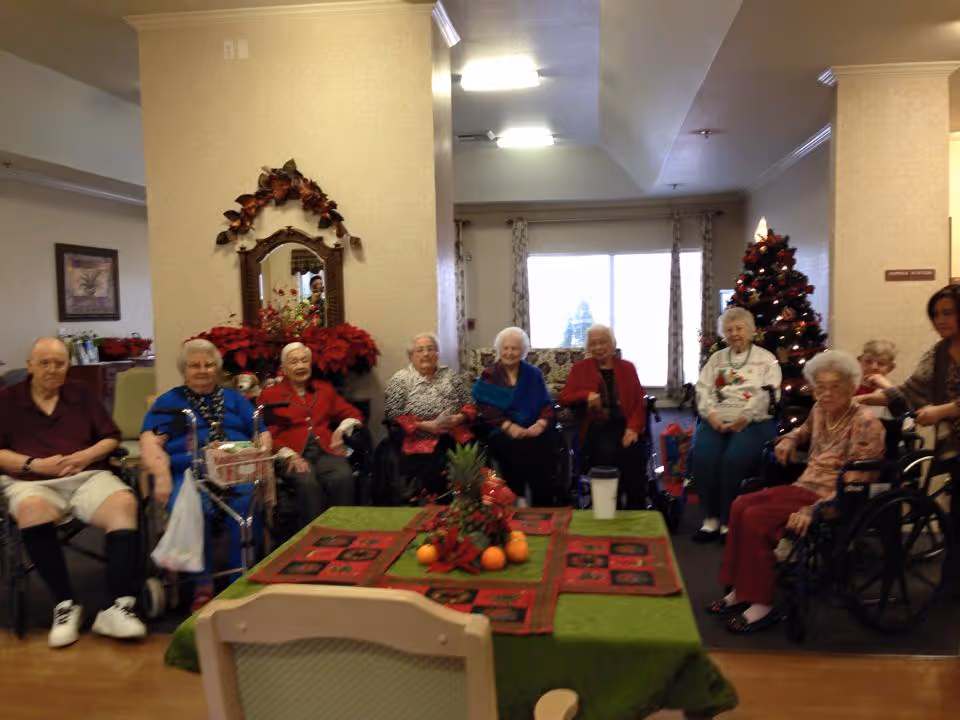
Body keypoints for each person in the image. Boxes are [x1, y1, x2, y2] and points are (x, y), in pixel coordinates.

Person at [707, 350, 885, 633]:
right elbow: (802, 431)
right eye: (820, 387)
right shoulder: (819, 410)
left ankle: (763, 604)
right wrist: (789, 439)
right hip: (805, 486)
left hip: (834, 497)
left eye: (834, 387)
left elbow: (858, 479)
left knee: (755, 517)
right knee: (740, 504)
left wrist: (813, 510)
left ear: (852, 387)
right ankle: (741, 589)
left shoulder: (864, 421)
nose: (825, 394)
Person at [0, 337, 146, 648]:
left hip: (86, 475)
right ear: (29, 365)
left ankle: (116, 607)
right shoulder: (7, 399)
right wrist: (34, 464)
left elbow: (110, 438)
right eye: (44, 363)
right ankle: (65, 605)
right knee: (31, 510)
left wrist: (85, 456)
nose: (53, 369)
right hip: (29, 480)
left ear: (67, 366)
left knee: (123, 503)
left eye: (60, 363)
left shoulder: (81, 394)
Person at [140, 339, 270, 612]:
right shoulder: (170, 402)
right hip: (187, 472)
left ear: (217, 369)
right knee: (192, 508)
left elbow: (262, 432)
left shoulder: (235, 399)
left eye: (209, 364)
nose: (202, 370)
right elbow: (151, 442)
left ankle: (239, 580)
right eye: (194, 365)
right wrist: (161, 474)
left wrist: (258, 453)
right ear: (183, 370)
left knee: (247, 506)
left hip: (232, 470)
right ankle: (203, 584)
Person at [856, 285, 960, 553]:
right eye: (935, 314)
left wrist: (943, 411)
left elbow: (941, 408)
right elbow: (908, 393)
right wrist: (863, 399)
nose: (940, 320)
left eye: (948, 313)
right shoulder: (938, 354)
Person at [692, 307, 782, 542]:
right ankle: (710, 518)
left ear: (750, 331)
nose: (734, 334)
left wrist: (746, 417)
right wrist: (711, 416)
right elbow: (703, 389)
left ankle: (728, 521)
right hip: (717, 418)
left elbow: (769, 394)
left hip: (752, 421)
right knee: (704, 455)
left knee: (734, 459)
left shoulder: (766, 359)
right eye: (729, 330)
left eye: (739, 328)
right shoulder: (717, 359)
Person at [259, 342, 363, 528]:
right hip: (291, 454)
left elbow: (353, 413)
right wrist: (289, 455)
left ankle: (343, 531)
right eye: (294, 362)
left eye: (304, 361)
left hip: (325, 450)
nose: (300, 366)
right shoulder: (270, 394)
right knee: (307, 483)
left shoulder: (324, 389)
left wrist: (339, 431)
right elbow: (265, 433)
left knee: (343, 475)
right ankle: (311, 538)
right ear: (283, 368)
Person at [559, 324, 648, 508]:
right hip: (596, 424)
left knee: (635, 451)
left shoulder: (627, 368)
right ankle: (607, 507)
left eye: (603, 342)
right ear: (588, 347)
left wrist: (633, 428)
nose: (598, 347)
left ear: (612, 344)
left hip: (625, 422)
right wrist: (586, 395)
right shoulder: (580, 368)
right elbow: (565, 396)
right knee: (607, 451)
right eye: (593, 343)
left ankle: (635, 510)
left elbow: (639, 401)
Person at [384, 333, 476, 498]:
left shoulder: (450, 375)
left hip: (454, 432)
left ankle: (469, 506)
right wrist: (426, 425)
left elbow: (470, 403)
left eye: (430, 349)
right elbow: (393, 413)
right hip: (419, 437)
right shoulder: (401, 379)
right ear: (411, 356)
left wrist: (459, 418)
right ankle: (439, 509)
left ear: (437, 354)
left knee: (477, 458)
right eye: (420, 350)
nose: (426, 354)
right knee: (437, 466)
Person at [472, 327, 557, 506]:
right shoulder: (490, 374)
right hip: (501, 429)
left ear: (523, 351)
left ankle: (543, 502)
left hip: (533, 428)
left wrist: (540, 424)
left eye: (515, 348)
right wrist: (508, 426)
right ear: (499, 350)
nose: (509, 353)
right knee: (513, 446)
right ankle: (517, 497)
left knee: (545, 444)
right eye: (506, 348)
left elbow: (547, 404)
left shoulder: (533, 374)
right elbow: (484, 406)